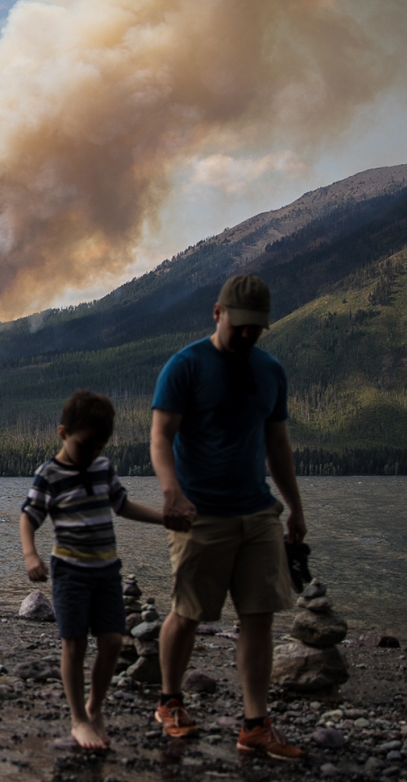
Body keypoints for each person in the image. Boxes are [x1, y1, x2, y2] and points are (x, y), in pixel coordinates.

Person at [150, 274, 306, 760]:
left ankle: (255, 724)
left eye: (256, 328)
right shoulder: (186, 366)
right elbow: (159, 437)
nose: (246, 335)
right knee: (189, 612)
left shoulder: (270, 371)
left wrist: (296, 508)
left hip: (258, 511)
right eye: (239, 325)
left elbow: (277, 444)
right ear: (217, 313)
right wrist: (171, 492)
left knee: (259, 617)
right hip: (200, 513)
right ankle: (169, 700)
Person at [20, 391, 164, 750]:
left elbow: (122, 504)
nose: (93, 453)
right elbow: (28, 516)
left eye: (100, 446)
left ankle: (94, 707)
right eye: (86, 445)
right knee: (74, 644)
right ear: (63, 433)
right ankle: (78, 719)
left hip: (106, 571)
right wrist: (30, 556)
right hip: (70, 572)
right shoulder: (49, 474)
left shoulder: (102, 467)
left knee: (113, 641)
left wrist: (164, 519)